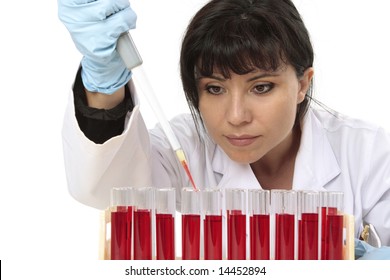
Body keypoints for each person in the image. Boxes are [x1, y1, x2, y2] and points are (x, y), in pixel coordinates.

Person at [58, 0, 390, 259]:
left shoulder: (366, 152)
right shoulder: (185, 147)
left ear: (303, 84)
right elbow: (108, 188)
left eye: (261, 87)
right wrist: (103, 82)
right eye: (215, 88)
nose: (235, 116)